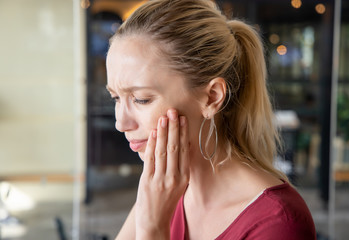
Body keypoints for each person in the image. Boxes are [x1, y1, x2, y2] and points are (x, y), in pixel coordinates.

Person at [106, 0, 316, 239]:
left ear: (212, 97)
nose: (121, 123)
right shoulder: (163, 191)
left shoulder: (279, 224)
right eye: (115, 98)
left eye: (141, 99)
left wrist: (153, 229)